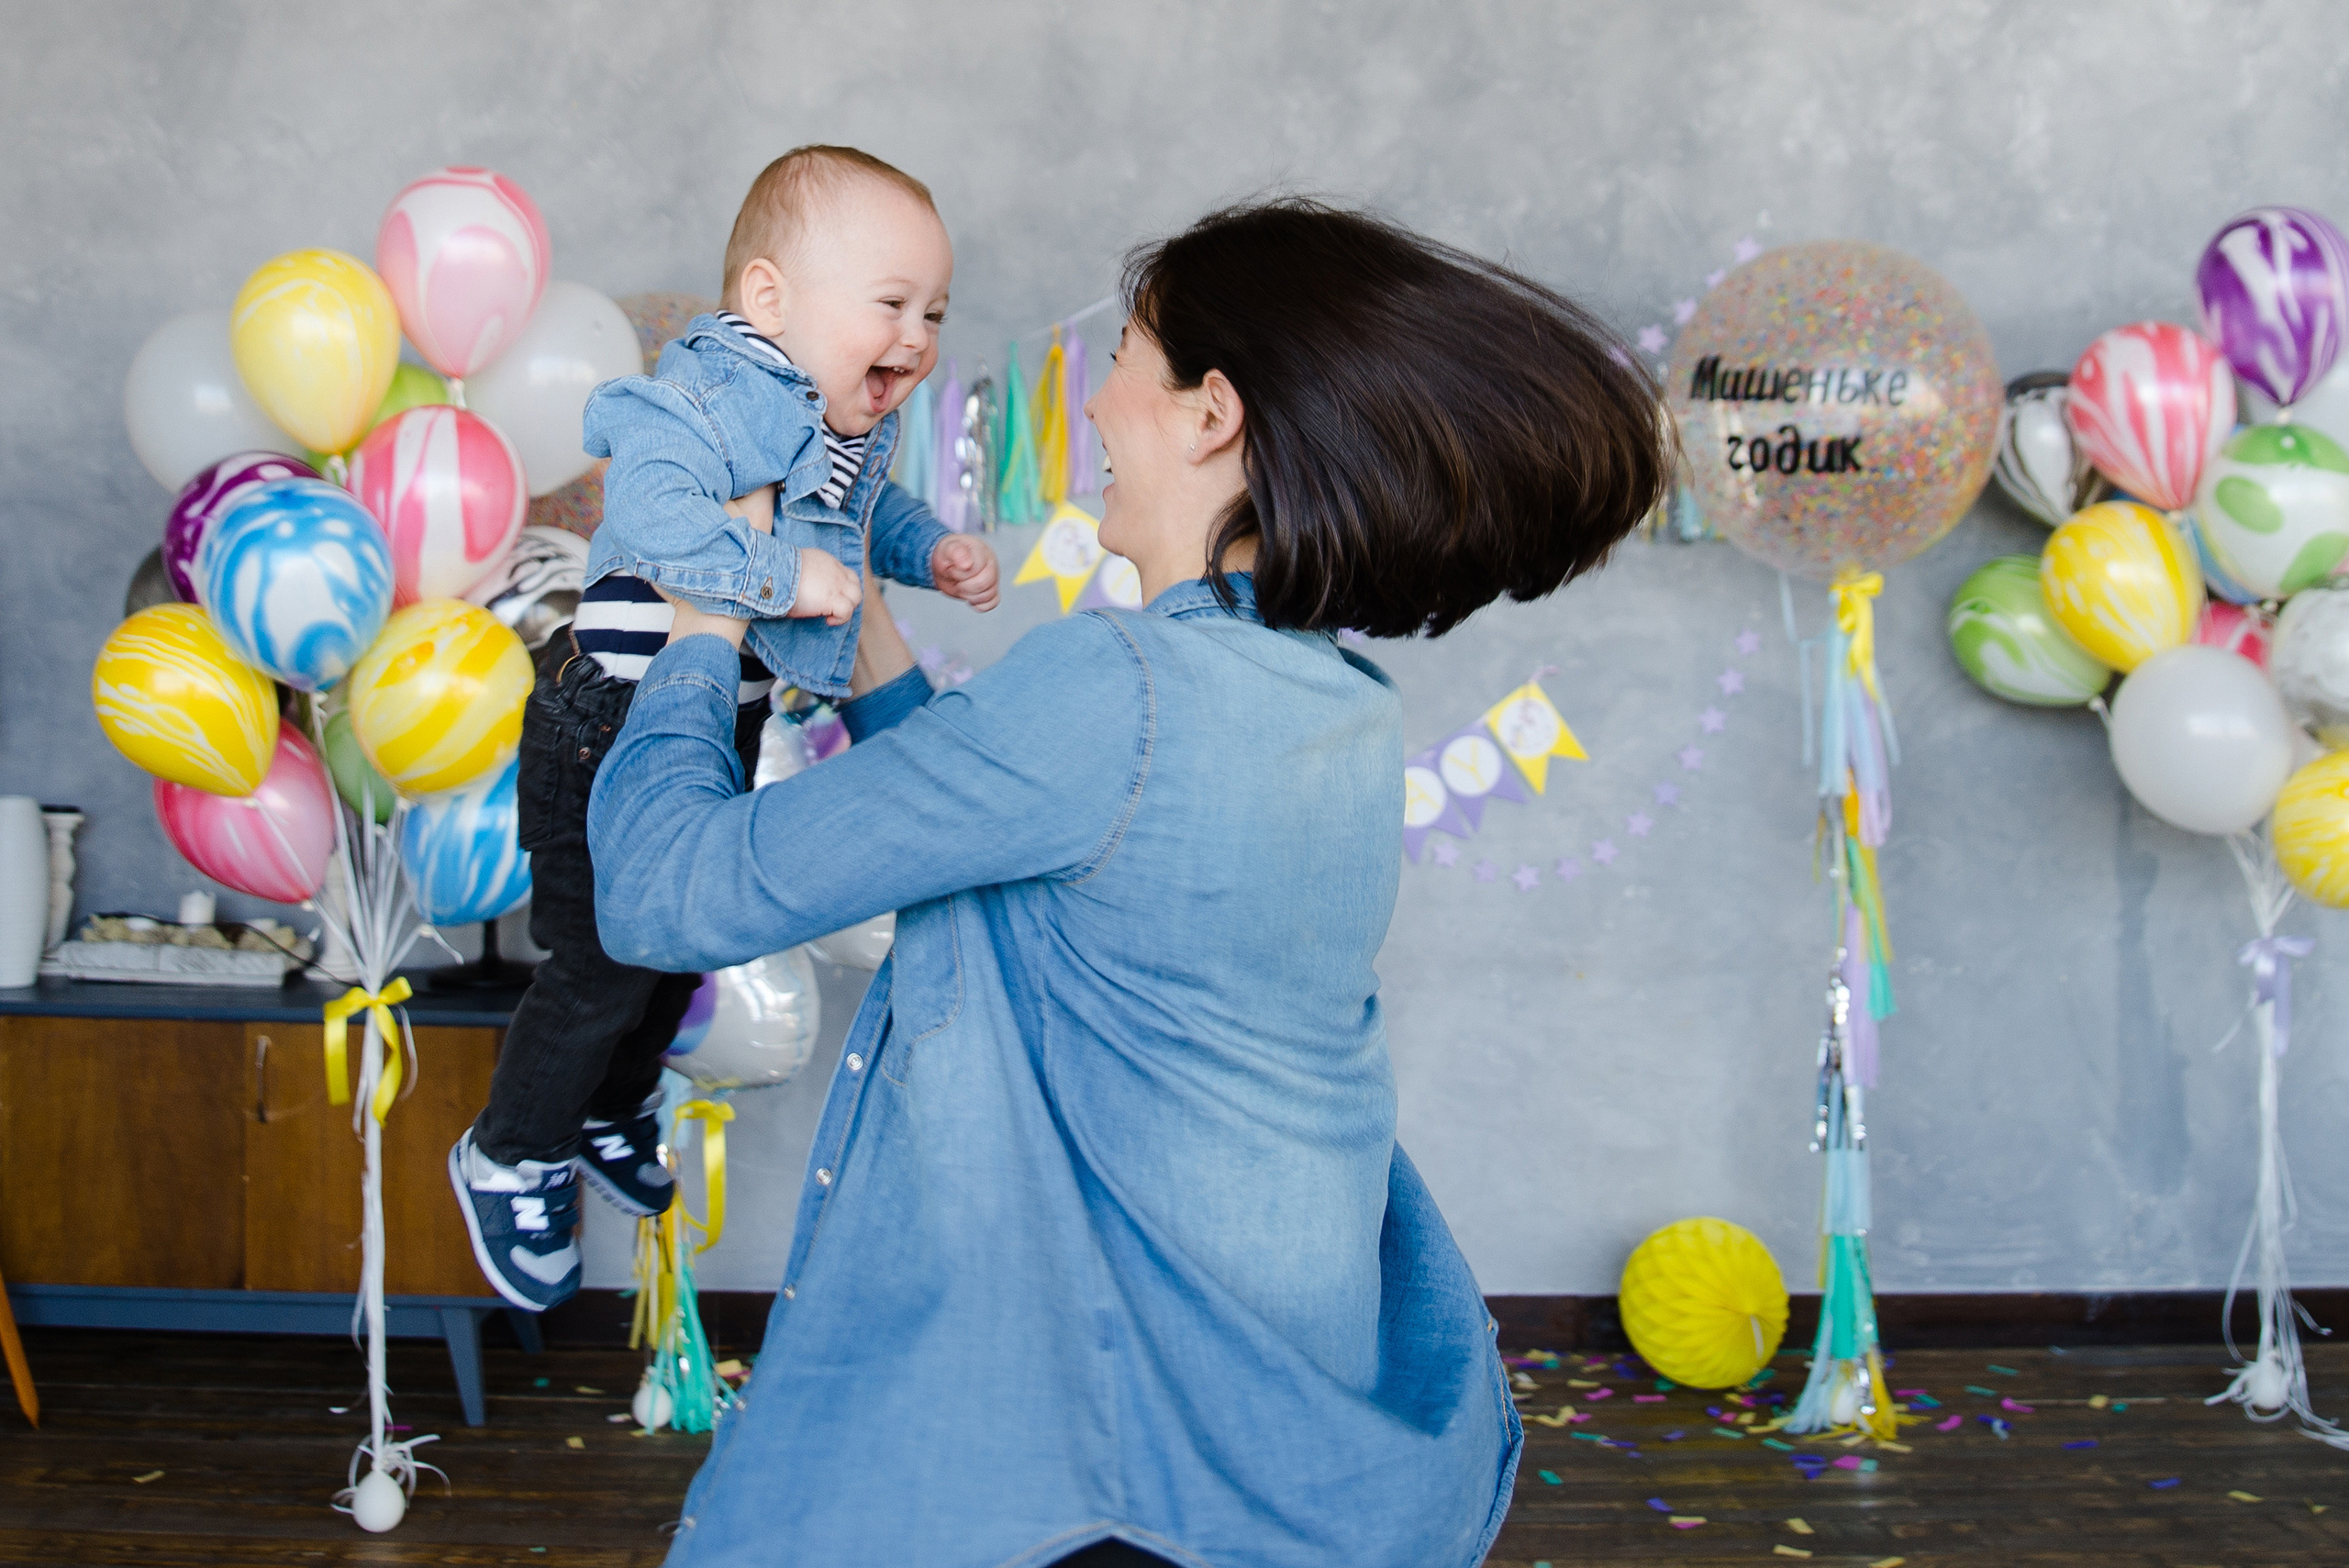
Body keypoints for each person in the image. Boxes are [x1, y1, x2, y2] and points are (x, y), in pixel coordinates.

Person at [591, 198, 1666, 1566]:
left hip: (1123, 1443)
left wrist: (699, 613)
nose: (1096, 403)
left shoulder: (1115, 688)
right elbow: (1019, 841)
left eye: (1126, 359)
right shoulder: (1334, 701)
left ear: (1210, 414)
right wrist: (859, 606)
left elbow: (669, 891)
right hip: (1278, 1418)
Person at [449, 145, 1000, 1313]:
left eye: (935, 312)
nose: (916, 335)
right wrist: (777, 574)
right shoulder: (693, 400)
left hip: (714, 716)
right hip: (604, 720)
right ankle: (509, 1147)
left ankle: (608, 1101)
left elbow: (861, 513)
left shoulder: (843, 422)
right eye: (892, 303)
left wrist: (924, 550)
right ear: (768, 300)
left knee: (679, 939)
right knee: (599, 962)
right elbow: (653, 522)